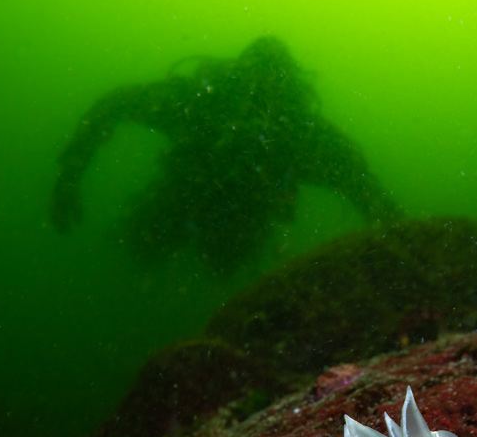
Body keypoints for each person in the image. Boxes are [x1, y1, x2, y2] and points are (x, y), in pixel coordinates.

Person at [51, 36, 402, 268]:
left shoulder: (295, 133)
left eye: (267, 90)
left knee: (202, 255)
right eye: (250, 87)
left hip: (225, 227)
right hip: (180, 208)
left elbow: (364, 186)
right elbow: (366, 188)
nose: (255, 105)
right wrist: (69, 174)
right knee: (144, 247)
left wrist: (70, 175)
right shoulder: (201, 105)